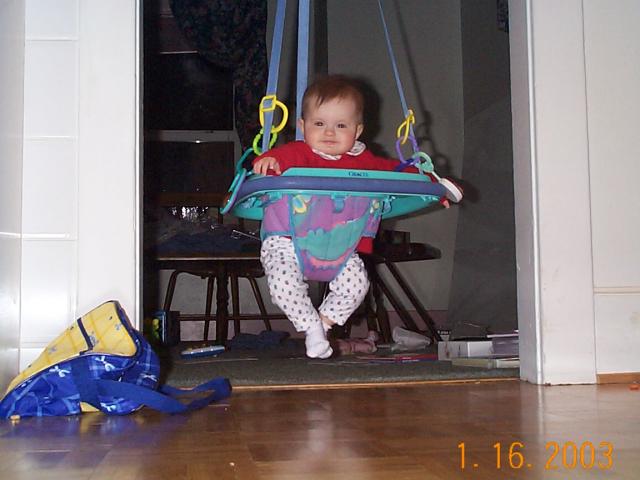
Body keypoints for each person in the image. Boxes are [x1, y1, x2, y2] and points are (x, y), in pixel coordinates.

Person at [253, 75, 459, 359]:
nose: (329, 132)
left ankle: (322, 326)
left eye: (341, 125)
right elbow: (273, 161)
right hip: (288, 240)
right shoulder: (297, 153)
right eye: (319, 123)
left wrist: (433, 186)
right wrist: (268, 161)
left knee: (357, 285)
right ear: (302, 126)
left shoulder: (365, 162)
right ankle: (310, 326)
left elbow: (399, 173)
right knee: (283, 286)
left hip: (340, 245)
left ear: (357, 130)